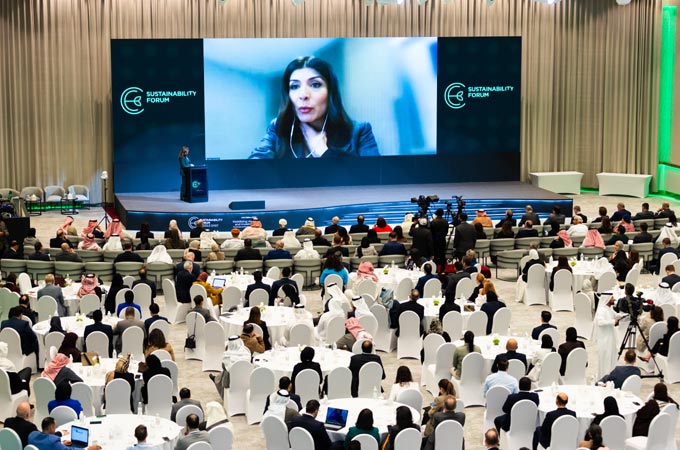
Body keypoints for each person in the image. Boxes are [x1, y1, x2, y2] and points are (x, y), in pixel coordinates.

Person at [250, 56, 378, 159]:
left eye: (315, 85)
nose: (303, 95)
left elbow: (374, 180)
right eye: (294, 86)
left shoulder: (360, 133)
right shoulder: (278, 128)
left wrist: (324, 152)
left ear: (330, 93)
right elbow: (252, 170)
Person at [29, 417, 102, 450]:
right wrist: (88, 449)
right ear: (51, 427)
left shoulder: (32, 435)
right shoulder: (53, 441)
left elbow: (45, 444)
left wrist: (60, 444)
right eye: (55, 426)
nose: (56, 428)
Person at [595, 296, 621, 378]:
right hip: (604, 339)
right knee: (605, 358)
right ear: (607, 299)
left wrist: (625, 315)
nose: (614, 299)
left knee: (611, 357)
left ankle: (611, 375)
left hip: (611, 338)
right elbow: (600, 322)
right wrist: (613, 321)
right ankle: (604, 377)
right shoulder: (602, 310)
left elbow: (616, 315)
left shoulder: (609, 309)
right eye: (612, 298)